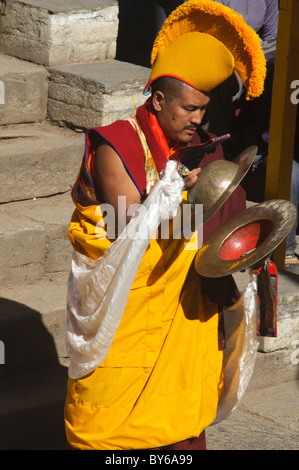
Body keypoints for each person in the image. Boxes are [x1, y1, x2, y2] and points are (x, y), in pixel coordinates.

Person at [64, 0, 266, 450]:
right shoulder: (117, 144)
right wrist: (182, 196)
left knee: (179, 424)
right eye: (190, 109)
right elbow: (124, 229)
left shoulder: (195, 147)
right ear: (158, 100)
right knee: (109, 419)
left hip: (179, 314)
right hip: (125, 309)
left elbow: (207, 221)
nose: (198, 120)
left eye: (203, 110)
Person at [206, 1, 299, 267]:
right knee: (290, 172)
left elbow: (274, 38)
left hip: (259, 60)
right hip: (230, 75)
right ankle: (285, 248)